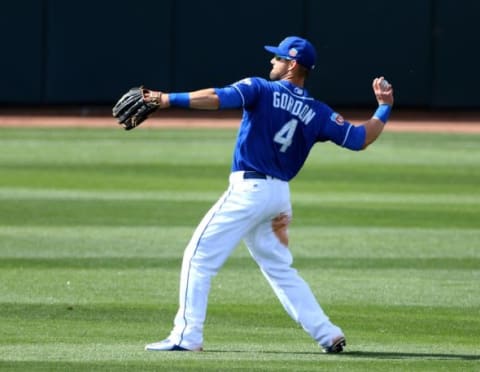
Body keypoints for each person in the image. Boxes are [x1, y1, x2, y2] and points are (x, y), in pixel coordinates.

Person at [143, 35, 394, 353]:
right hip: (278, 199)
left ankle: (186, 336)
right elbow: (360, 139)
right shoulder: (318, 112)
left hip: (250, 190)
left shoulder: (261, 88)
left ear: (292, 65)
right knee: (280, 269)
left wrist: (166, 99)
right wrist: (383, 108)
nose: (271, 62)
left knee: (198, 257)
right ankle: (327, 333)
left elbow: (217, 97)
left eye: (277, 58)